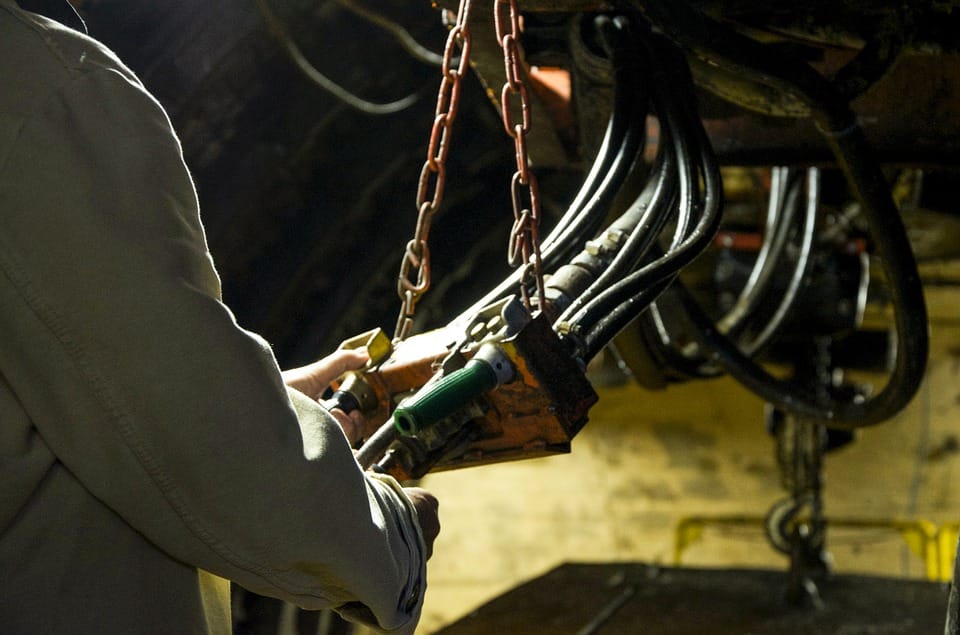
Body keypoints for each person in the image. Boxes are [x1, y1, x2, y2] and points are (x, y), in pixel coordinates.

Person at [0, 1, 439, 633]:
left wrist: (269, 404)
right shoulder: (43, 92)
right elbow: (190, 435)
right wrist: (388, 533)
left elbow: (98, 390)